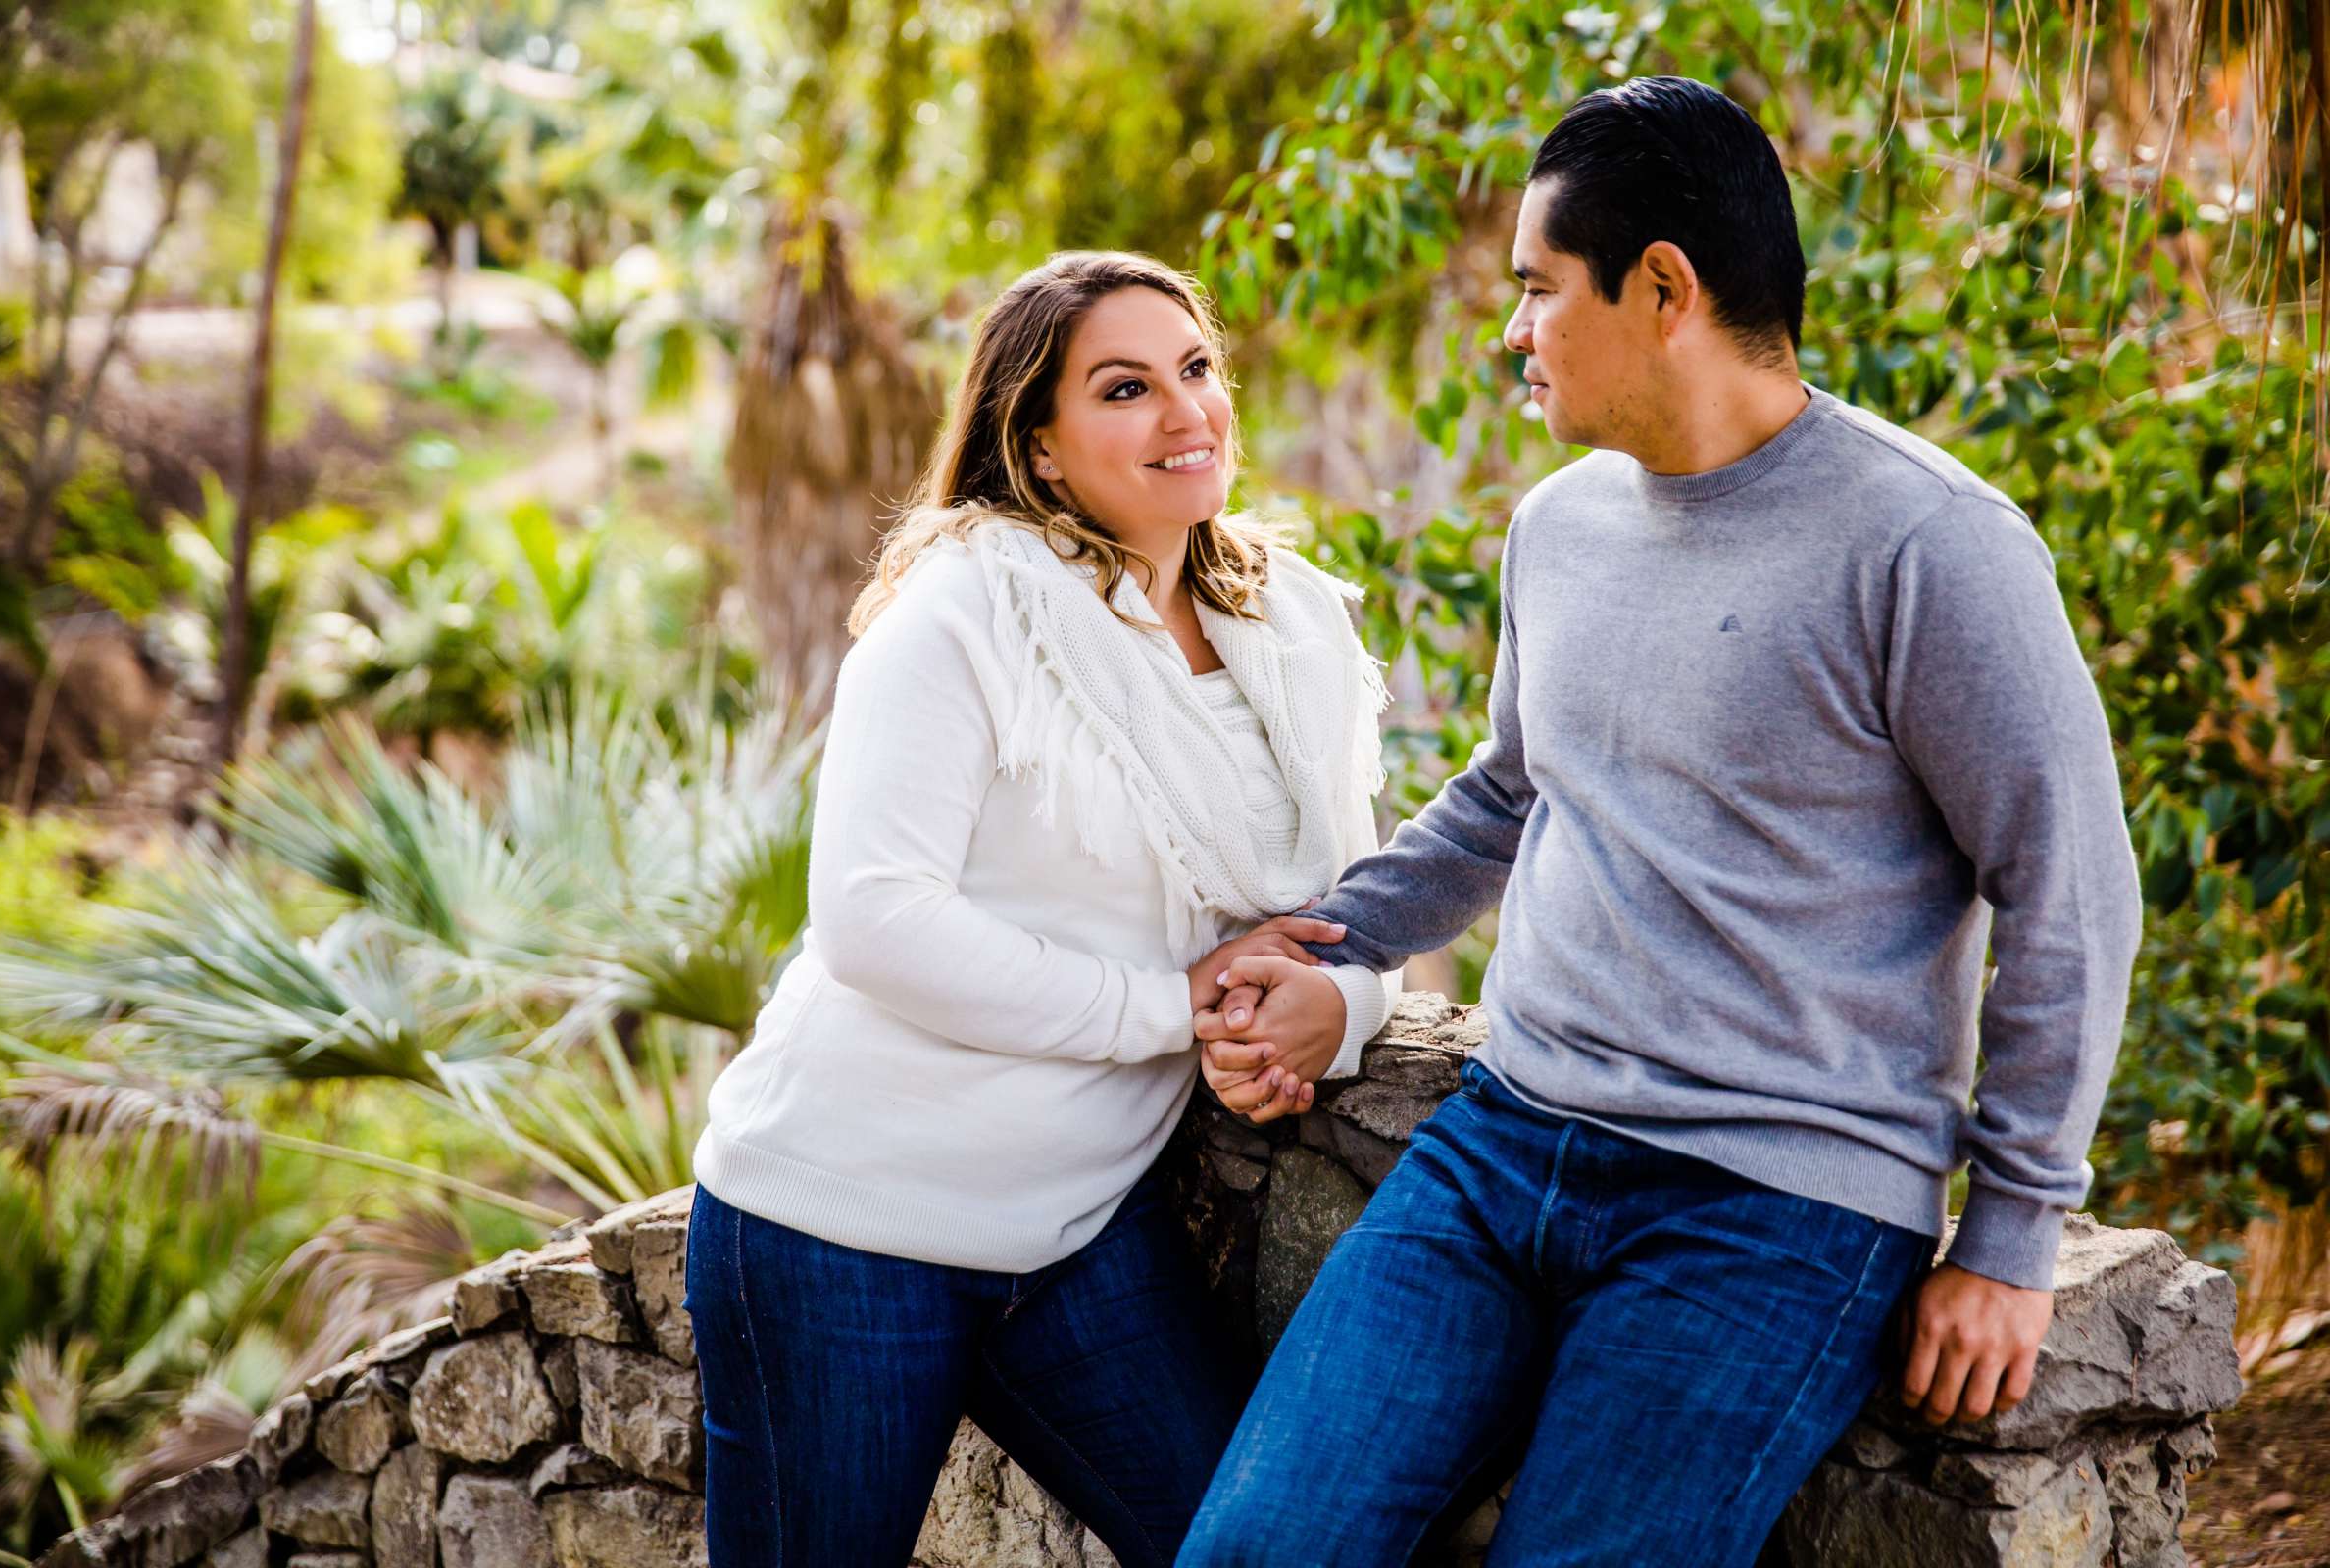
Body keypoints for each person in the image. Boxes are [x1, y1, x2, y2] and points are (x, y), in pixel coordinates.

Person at [1179, 76, 2143, 1567]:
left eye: (1537, 290)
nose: (1512, 332)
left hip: (1775, 1206)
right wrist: (1323, 939)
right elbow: (1508, 795)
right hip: (1501, 1149)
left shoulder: (1932, 546)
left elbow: (2068, 889)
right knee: (1255, 1550)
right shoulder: (1559, 526)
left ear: (1665, 289)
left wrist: (2013, 1233)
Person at [684, 250, 1402, 1568]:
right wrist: (1169, 1009)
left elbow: (1363, 909)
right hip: (838, 1229)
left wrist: (1326, 1010)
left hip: (1075, 1230)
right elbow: (872, 916)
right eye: (1126, 388)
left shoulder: (1292, 631)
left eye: (1197, 371)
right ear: (1042, 448)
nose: (1186, 413)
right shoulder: (969, 612)